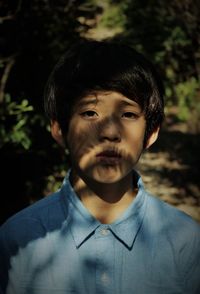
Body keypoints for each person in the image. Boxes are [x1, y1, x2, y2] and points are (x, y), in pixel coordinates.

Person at [0, 40, 200, 294]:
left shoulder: (187, 240)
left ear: (151, 134)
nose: (109, 132)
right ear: (59, 128)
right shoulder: (18, 238)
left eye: (128, 114)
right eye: (90, 113)